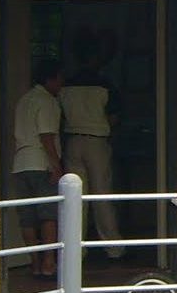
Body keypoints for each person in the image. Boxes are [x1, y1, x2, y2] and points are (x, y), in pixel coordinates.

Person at [60, 33, 125, 259]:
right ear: (96, 58)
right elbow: (114, 117)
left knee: (74, 195)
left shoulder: (65, 85)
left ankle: (75, 249)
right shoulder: (105, 85)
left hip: (72, 140)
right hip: (97, 140)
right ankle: (113, 247)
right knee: (101, 194)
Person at [12, 58, 64, 278]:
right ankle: (49, 263)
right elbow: (46, 136)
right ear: (50, 79)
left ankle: (34, 263)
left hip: (20, 163)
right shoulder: (46, 101)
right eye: (60, 79)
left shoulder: (24, 99)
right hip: (39, 162)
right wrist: (57, 166)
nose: (62, 84)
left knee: (27, 217)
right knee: (48, 216)